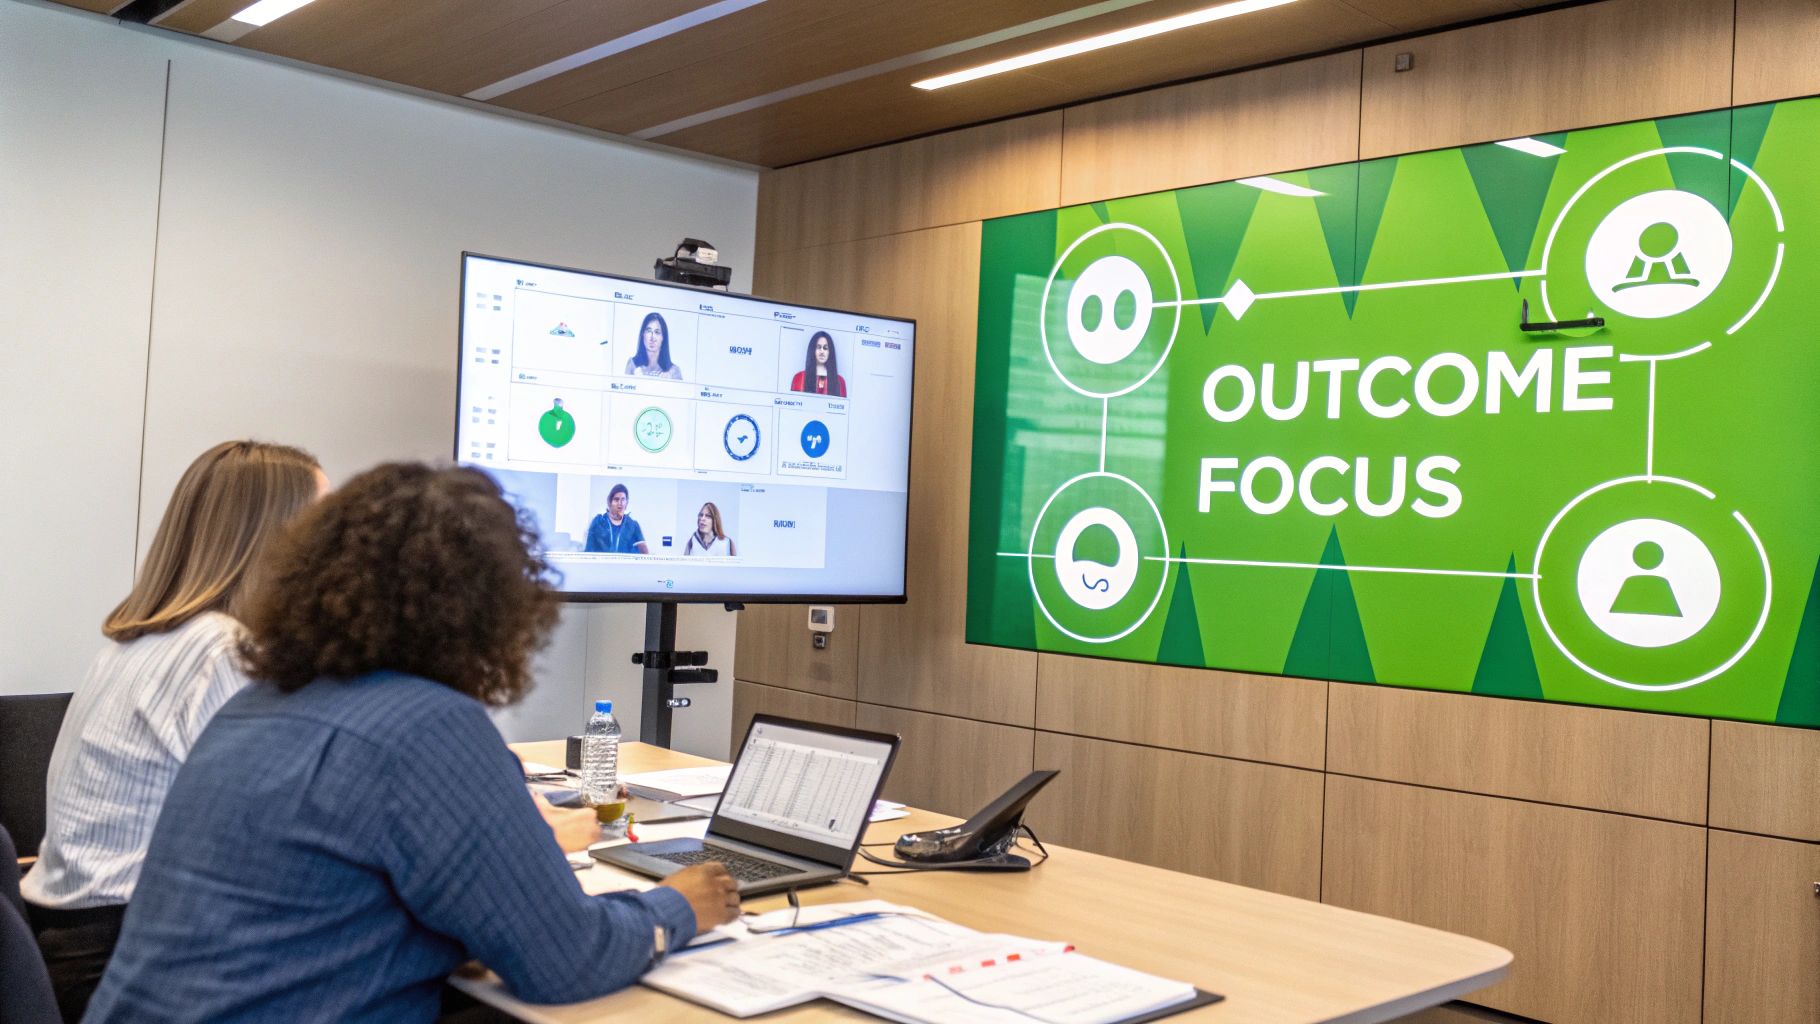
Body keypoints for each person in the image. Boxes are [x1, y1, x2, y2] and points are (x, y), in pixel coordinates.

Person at [84, 464, 740, 1022]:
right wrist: (678, 905)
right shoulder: (430, 726)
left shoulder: (260, 704)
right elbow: (565, 959)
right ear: (493, 608)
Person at [22, 440, 326, 1023]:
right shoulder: (221, 650)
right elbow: (284, 837)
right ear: (273, 537)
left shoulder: (138, 638)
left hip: (75, 946)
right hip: (133, 961)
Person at [584, 483, 648, 554]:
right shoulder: (598, 522)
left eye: (623, 499)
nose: (620, 503)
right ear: (609, 502)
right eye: (616, 499)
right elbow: (588, 551)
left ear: (627, 502)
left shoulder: (633, 525)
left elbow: (644, 553)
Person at [624, 312, 682, 379]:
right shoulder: (632, 364)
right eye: (649, 331)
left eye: (657, 332)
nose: (652, 337)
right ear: (643, 334)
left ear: (663, 337)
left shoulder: (674, 371)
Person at [790, 331, 846, 397]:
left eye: (825, 348)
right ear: (813, 350)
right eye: (818, 347)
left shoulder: (839, 381)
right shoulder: (799, 378)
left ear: (830, 352)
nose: (822, 352)